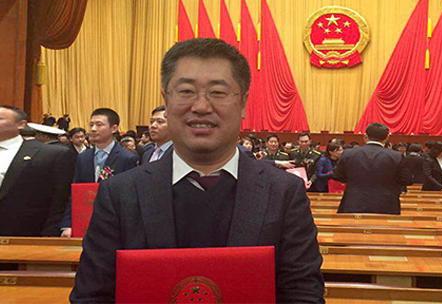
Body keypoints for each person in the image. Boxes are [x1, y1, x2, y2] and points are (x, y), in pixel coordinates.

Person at [70, 38, 324, 303]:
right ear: (166, 102)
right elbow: (92, 295)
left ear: (243, 103)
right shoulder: (119, 194)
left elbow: (303, 294)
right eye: (186, 91)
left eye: (218, 92)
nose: (201, 107)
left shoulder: (284, 192)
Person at [60, 108, 139, 238]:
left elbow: (130, 197)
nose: (93, 129)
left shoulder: (127, 158)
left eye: (99, 125)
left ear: (113, 128)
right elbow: (75, 192)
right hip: (84, 223)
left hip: (114, 225)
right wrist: (68, 224)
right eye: (91, 125)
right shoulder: (83, 157)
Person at [0, 105, 76, 236]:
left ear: (21, 124)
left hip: (25, 235)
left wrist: (50, 234)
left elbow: (60, 200)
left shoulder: (50, 154)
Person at [332, 122, 412, 214]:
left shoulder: (348, 153)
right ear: (387, 138)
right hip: (386, 204)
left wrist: (352, 180)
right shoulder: (396, 156)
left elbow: (336, 175)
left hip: (354, 201)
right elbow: (407, 180)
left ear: (365, 136)